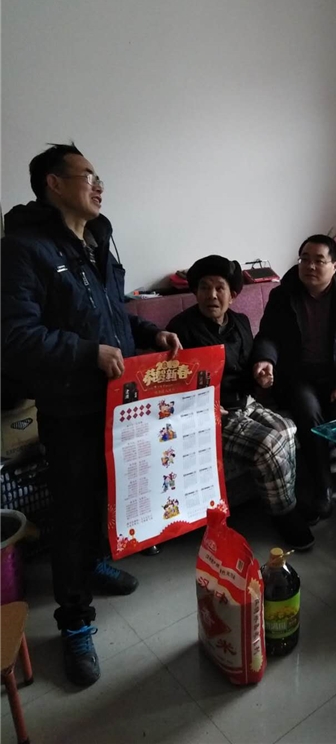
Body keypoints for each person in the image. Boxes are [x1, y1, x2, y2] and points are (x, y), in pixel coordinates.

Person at [1, 144, 181, 687]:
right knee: (73, 512)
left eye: (99, 175)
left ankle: (95, 563)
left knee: (110, 495)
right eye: (87, 175)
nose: (98, 185)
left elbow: (110, 313)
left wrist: (150, 333)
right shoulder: (23, 250)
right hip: (70, 404)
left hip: (119, 402)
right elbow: (16, 336)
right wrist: (87, 354)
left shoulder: (97, 237)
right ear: (54, 183)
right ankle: (75, 622)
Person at [166, 255, 314, 551]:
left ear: (232, 295)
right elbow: (173, 382)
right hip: (208, 411)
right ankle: (284, 516)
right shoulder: (181, 329)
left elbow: (253, 360)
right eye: (204, 288)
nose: (211, 295)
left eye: (219, 288)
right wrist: (204, 405)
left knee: (287, 428)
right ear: (195, 292)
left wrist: (261, 373)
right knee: (268, 445)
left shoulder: (241, 322)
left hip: (244, 402)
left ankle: (284, 500)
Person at [252, 235, 336, 521]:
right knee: (309, 414)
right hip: (299, 376)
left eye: (319, 260)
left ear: (335, 265)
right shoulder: (283, 295)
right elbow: (268, 335)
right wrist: (265, 360)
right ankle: (322, 489)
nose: (310, 266)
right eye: (304, 259)